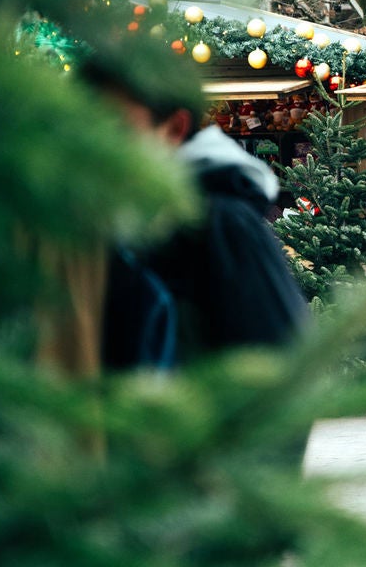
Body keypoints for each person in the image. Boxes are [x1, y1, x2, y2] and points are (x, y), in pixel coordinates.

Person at [79, 56, 308, 367]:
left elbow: (281, 367)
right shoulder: (81, 221)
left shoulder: (222, 222)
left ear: (174, 127)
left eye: (116, 126)